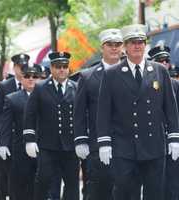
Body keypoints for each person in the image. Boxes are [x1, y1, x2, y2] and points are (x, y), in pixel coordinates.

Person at [96, 24, 179, 200]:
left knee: (155, 193)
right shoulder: (112, 74)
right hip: (124, 147)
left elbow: (170, 108)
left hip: (154, 145)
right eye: (133, 42)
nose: (137, 45)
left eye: (141, 41)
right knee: (126, 193)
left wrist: (174, 137)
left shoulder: (159, 70)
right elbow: (103, 111)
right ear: (125, 46)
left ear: (145, 44)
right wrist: (104, 141)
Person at [74, 28, 124, 200]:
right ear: (102, 47)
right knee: (99, 191)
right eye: (110, 44)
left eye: (118, 44)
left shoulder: (132, 72)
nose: (114, 48)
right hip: (97, 145)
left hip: (128, 144)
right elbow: (79, 112)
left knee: (126, 191)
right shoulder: (87, 76)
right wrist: (80, 139)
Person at [23, 51, 80, 200]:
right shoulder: (40, 87)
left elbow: (82, 115)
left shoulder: (76, 87)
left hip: (70, 145)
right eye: (58, 66)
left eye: (65, 66)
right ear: (52, 68)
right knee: (43, 181)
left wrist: (82, 139)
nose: (62, 69)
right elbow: (30, 114)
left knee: (72, 183)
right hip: (48, 145)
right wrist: (30, 139)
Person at [0, 64, 41, 200]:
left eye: (35, 76)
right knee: (20, 185)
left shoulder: (46, 96)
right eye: (27, 76)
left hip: (44, 147)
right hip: (20, 148)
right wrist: (3, 143)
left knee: (41, 185)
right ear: (21, 79)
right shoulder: (12, 98)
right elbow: (6, 124)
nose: (31, 79)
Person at [0, 53, 30, 200]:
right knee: (6, 175)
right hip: (8, 135)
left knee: (26, 176)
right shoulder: (5, 86)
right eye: (20, 67)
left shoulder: (33, 84)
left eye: (25, 67)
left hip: (25, 136)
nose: (22, 71)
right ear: (14, 68)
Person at [148, 44, 179, 200]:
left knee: (173, 182)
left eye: (166, 60)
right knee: (155, 183)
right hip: (153, 141)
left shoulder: (175, 85)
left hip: (173, 140)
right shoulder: (146, 83)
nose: (164, 64)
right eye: (160, 61)